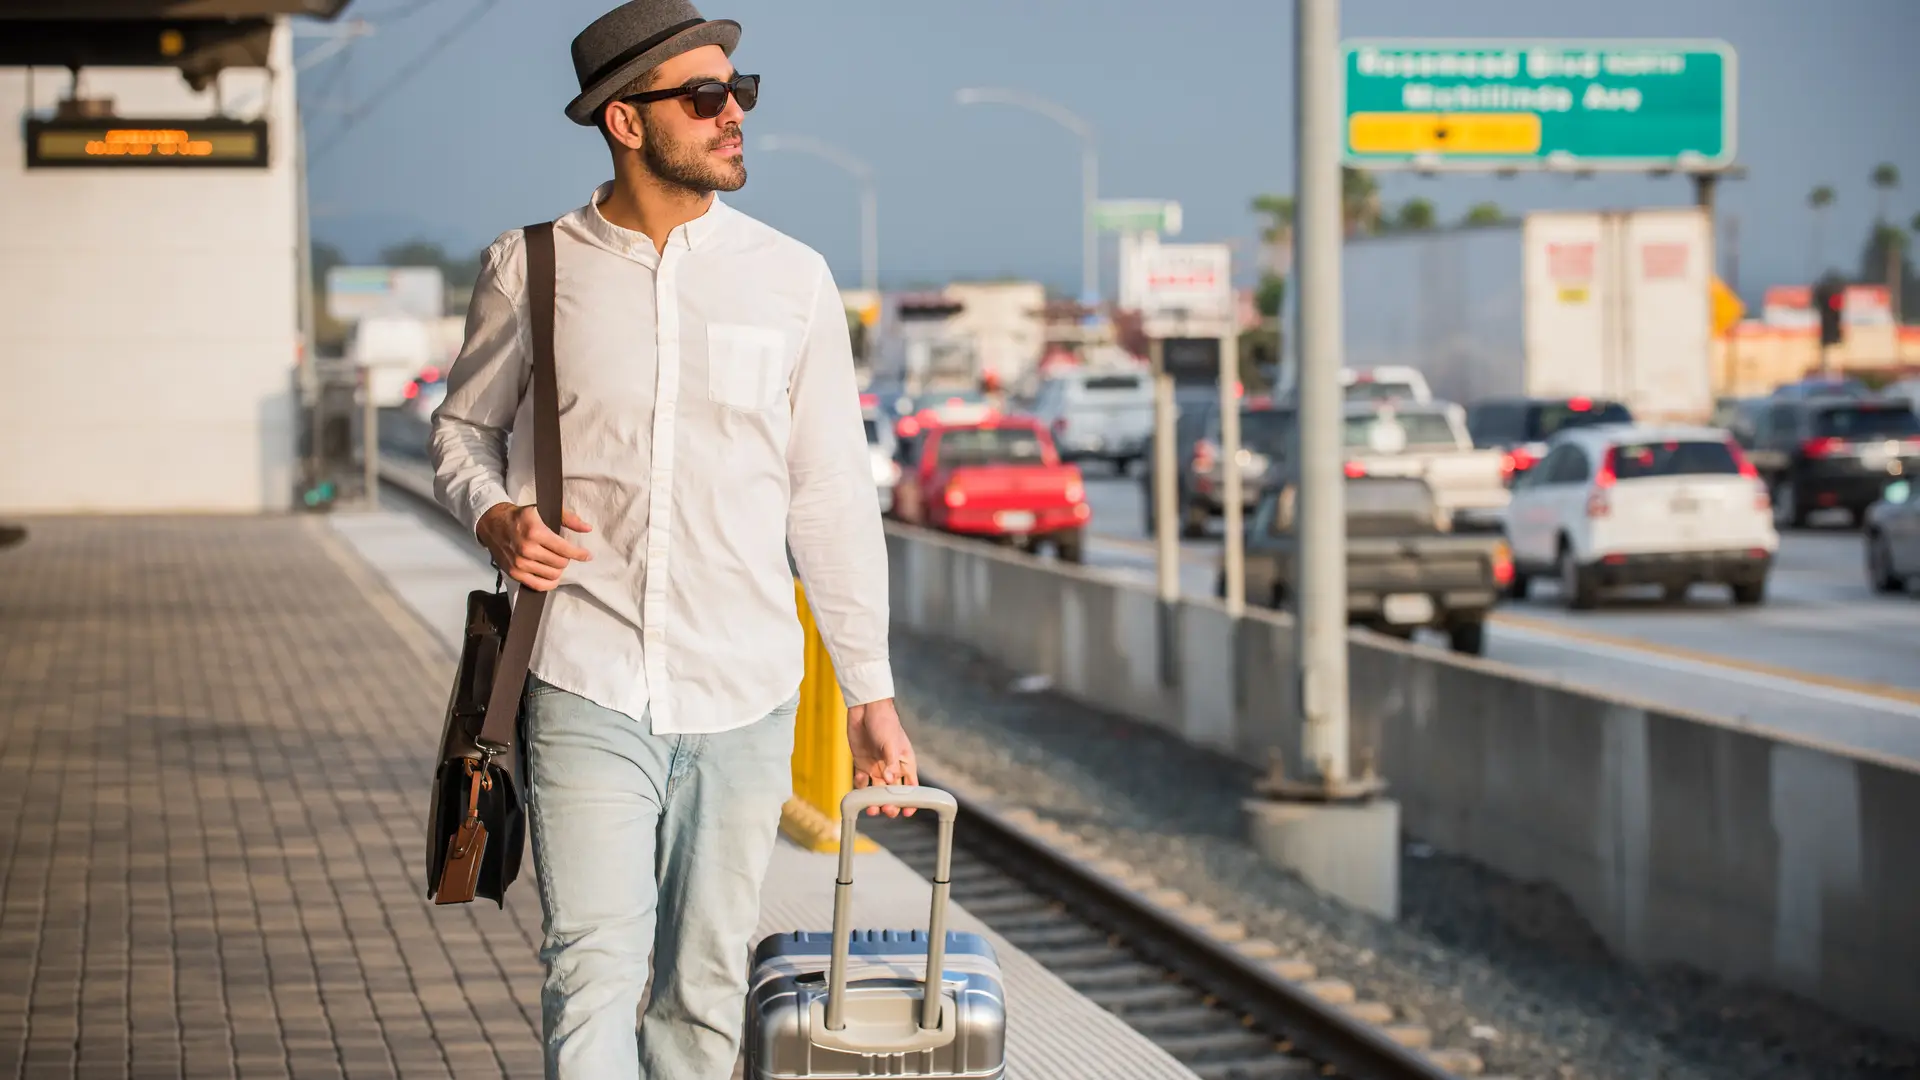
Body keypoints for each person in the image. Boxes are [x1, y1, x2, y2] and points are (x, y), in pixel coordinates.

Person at [427, 3, 917, 1077]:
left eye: (739, 92)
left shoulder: (792, 280)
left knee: (700, 993)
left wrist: (870, 691)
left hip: (746, 691)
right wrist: (495, 515)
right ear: (625, 121)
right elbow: (462, 429)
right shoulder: (532, 266)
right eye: (704, 97)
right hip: (582, 674)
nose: (733, 113)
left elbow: (829, 497)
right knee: (590, 967)